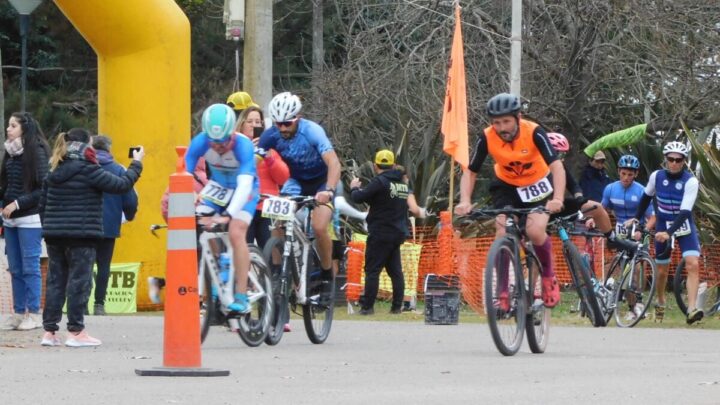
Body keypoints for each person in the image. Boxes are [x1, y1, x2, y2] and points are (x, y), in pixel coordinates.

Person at [455, 93, 565, 308]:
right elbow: (471, 171)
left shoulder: (533, 132)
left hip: (536, 185)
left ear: (518, 117)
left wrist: (558, 198)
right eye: (496, 123)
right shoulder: (487, 137)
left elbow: (557, 166)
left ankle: (548, 277)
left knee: (534, 232)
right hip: (506, 185)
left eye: (506, 121)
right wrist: (465, 200)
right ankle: (502, 293)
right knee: (502, 231)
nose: (502, 127)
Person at [39, 128, 143, 347]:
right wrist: (137, 163)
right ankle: (76, 332)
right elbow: (122, 185)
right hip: (82, 235)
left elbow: (43, 204)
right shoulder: (89, 170)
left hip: (54, 235)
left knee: (56, 282)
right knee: (79, 282)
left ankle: (49, 332)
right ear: (87, 146)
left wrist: (50, 226)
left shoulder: (54, 169)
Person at [258, 92, 341, 301]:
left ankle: (326, 274)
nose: (283, 128)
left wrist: (329, 190)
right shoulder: (271, 135)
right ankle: (277, 271)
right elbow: (253, 162)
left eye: (287, 123)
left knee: (320, 226)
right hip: (295, 181)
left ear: (298, 118)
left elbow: (333, 162)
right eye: (279, 124)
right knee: (278, 219)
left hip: (322, 182)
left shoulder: (313, 131)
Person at [185, 103, 260, 314]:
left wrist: (227, 215)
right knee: (201, 220)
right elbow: (184, 174)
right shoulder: (200, 142)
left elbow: (245, 185)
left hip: (244, 188)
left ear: (232, 133)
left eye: (223, 141)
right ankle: (219, 262)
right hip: (218, 187)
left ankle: (242, 295)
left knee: (236, 232)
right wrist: (191, 198)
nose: (218, 146)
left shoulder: (243, 145)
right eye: (213, 142)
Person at [627, 142, 702, 324]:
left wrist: (669, 232)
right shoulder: (656, 176)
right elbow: (646, 197)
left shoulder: (690, 181)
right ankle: (660, 301)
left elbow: (685, 212)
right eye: (671, 159)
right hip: (662, 224)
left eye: (679, 160)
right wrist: (637, 218)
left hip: (683, 225)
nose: (674, 163)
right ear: (665, 160)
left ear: (684, 161)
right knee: (661, 271)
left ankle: (691, 309)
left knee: (693, 264)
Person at [0, 112, 50, 331]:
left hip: (30, 218)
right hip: (10, 220)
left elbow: (43, 188)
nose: (8, 129)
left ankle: (35, 314)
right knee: (16, 268)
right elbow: (6, 184)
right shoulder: (9, 153)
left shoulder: (37, 151)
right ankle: (19, 313)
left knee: (31, 267)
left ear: (24, 128)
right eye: (8, 126)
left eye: (13, 126)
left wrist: (18, 204)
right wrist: (4, 203)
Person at [546, 132, 634, 251]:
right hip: (537, 209)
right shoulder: (534, 166)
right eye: (557, 153)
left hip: (558, 206)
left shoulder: (559, 166)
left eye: (562, 154)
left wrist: (579, 197)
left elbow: (574, 186)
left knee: (596, 207)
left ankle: (612, 239)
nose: (560, 157)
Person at [350, 150, 408, 315]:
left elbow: (359, 198)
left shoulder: (380, 182)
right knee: (395, 271)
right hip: (397, 232)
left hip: (381, 232)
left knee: (372, 270)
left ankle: (367, 307)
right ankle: (397, 307)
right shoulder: (402, 184)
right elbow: (383, 200)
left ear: (375, 166)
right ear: (393, 165)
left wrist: (354, 188)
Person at [90, 135, 139, 316]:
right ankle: (99, 304)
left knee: (85, 264)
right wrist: (129, 215)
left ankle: (79, 303)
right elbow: (130, 198)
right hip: (109, 225)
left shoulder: (86, 167)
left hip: (86, 224)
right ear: (109, 149)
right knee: (104, 265)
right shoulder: (118, 170)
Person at [235, 106, 289, 249]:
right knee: (246, 249)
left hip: (267, 206)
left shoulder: (271, 147)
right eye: (250, 121)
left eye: (258, 122)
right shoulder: (235, 146)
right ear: (241, 125)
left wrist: (270, 158)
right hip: (245, 205)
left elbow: (283, 178)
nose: (254, 125)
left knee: (270, 251)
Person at [601, 154, 655, 239]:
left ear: (636, 174)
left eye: (630, 175)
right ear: (618, 171)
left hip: (638, 230)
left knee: (640, 252)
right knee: (620, 252)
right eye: (623, 173)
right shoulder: (610, 189)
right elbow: (601, 210)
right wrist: (593, 219)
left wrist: (644, 230)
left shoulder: (642, 191)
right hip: (620, 228)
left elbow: (653, 218)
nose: (626, 178)